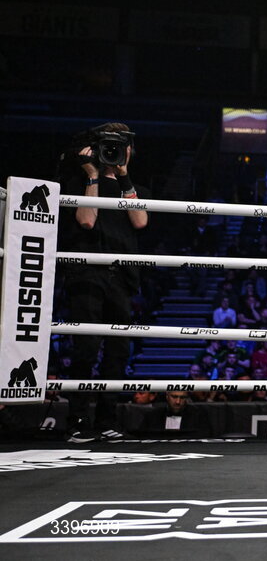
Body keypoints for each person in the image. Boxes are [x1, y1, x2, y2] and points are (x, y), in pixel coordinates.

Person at [58, 123, 148, 443]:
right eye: (110, 146)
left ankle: (108, 418)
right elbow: (86, 220)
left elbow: (140, 221)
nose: (118, 152)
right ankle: (79, 419)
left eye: (122, 147)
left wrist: (123, 176)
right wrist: (92, 175)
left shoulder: (130, 187)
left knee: (118, 351)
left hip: (121, 275)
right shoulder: (77, 182)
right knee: (86, 347)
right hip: (86, 272)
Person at [138, 390, 213, 437]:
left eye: (182, 398)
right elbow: (142, 436)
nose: (178, 402)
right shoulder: (152, 415)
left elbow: (205, 435)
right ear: (167, 396)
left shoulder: (198, 415)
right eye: (174, 397)